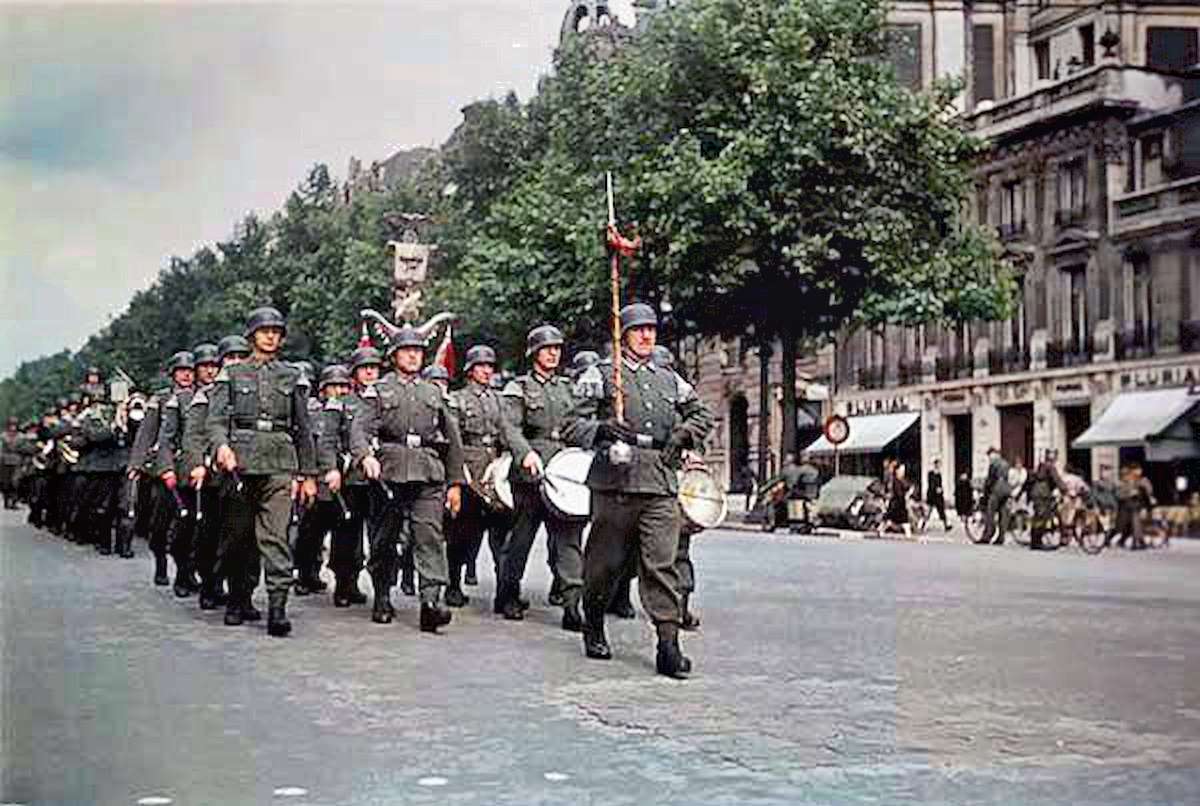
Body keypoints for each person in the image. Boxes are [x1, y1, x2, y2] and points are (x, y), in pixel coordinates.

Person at [565, 302, 714, 679]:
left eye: (651, 329)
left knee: (660, 564)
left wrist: (685, 433)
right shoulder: (601, 375)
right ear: (623, 334)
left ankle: (668, 644)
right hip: (615, 481)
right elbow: (570, 424)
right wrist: (600, 430)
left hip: (660, 479)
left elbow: (702, 414)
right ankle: (594, 620)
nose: (647, 336)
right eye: (638, 329)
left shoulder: (670, 379)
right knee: (605, 565)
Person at [207, 306, 318, 637]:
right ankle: (238, 598)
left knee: (275, 538)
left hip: (280, 464)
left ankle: (278, 607)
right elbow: (215, 420)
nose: (271, 336)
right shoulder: (232, 374)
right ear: (252, 335)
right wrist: (221, 447)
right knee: (238, 537)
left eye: (276, 332)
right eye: (264, 330)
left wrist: (308, 474)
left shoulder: (291, 375)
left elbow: (303, 427)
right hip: (240, 463)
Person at [350, 326, 464, 631]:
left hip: (427, 472)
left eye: (418, 351)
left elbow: (452, 440)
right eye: (406, 350)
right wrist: (366, 456)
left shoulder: (433, 392)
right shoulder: (379, 390)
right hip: (389, 472)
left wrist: (454, 483)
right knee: (385, 539)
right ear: (393, 356)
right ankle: (383, 594)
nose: (413, 355)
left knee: (428, 536)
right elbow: (359, 429)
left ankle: (430, 602)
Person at [500, 324, 588, 629]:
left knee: (568, 538)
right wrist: (525, 453)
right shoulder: (519, 388)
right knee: (522, 537)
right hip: (530, 475)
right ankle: (508, 592)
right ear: (534, 353)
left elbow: (580, 426)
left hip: (563, 472)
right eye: (546, 348)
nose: (552, 353)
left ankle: (572, 603)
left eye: (556, 348)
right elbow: (509, 427)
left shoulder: (568, 388)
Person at [445, 344, 530, 613]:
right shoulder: (457, 400)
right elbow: (452, 440)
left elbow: (508, 431)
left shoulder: (500, 400)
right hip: (469, 470)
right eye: (481, 366)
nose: (486, 371)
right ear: (470, 370)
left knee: (503, 536)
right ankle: (453, 585)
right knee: (462, 535)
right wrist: (458, 476)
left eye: (489, 366)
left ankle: (505, 593)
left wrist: (512, 458)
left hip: (496, 470)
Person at [129, 351, 195, 586]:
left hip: (188, 467)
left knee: (188, 524)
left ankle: (185, 572)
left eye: (190, 370)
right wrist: (136, 464)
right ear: (173, 374)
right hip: (162, 466)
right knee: (160, 521)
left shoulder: (199, 397)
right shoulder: (161, 399)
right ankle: (160, 563)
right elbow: (146, 432)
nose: (186, 374)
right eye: (181, 370)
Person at [1027, 449, 1067, 551]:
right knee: (1041, 517)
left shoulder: (1042, 466)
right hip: (1042, 494)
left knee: (1039, 517)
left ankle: (1035, 541)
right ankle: (1037, 542)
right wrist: (1064, 489)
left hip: (1038, 493)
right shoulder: (1050, 466)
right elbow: (1056, 479)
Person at [1111, 463, 1155, 550]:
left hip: (1138, 507)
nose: (1138, 472)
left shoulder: (1142, 481)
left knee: (1135, 524)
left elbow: (1149, 492)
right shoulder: (1123, 482)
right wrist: (1129, 494)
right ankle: (1134, 541)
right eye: (1136, 470)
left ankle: (1137, 542)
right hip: (1125, 508)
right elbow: (1119, 495)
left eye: (1139, 470)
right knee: (1121, 527)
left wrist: (1146, 488)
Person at [977, 447, 1012, 545]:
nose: (989, 458)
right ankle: (1001, 537)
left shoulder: (994, 464)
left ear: (994, 454)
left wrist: (985, 491)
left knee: (990, 513)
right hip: (1007, 490)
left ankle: (987, 535)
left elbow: (990, 480)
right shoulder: (1006, 463)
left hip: (997, 491)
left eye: (990, 455)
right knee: (1002, 514)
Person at [878, 461, 913, 539]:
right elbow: (898, 493)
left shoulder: (902, 480)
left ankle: (908, 534)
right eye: (901, 470)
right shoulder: (895, 480)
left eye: (903, 470)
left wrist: (909, 491)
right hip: (896, 504)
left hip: (900, 503)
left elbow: (907, 487)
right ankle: (908, 534)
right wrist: (907, 494)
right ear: (897, 471)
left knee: (894, 520)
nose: (903, 472)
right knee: (894, 520)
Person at [0, 417, 21, 509]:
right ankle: (6, 500)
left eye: (14, 425)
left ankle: (14, 501)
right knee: (6, 483)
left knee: (15, 482)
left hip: (16, 461)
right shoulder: (3, 436)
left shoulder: (20, 436)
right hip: (5, 461)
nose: (13, 427)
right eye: (11, 425)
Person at [926, 459, 949, 529]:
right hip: (932, 495)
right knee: (928, 511)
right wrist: (936, 489)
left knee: (941, 510)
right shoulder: (931, 474)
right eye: (938, 464)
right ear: (935, 465)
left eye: (940, 465)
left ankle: (946, 525)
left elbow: (940, 484)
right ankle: (922, 524)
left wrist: (941, 490)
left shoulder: (939, 474)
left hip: (938, 496)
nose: (939, 466)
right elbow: (931, 484)